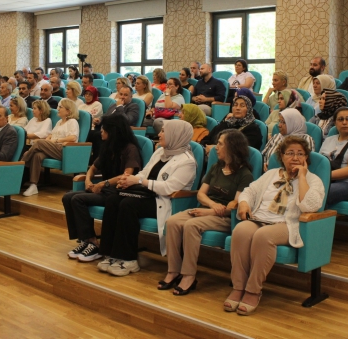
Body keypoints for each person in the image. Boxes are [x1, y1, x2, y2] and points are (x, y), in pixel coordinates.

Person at [226, 135, 325, 315]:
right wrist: (244, 203)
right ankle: (238, 287)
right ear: (282, 155)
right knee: (240, 230)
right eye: (290, 153)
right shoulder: (271, 174)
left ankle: (253, 290)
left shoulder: (313, 180)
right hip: (259, 218)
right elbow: (250, 191)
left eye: (300, 153)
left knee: (263, 235)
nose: (295, 157)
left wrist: (302, 177)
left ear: (306, 158)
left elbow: (310, 206)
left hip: (287, 224)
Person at [97, 120, 197, 277]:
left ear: (175, 135)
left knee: (128, 204)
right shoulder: (160, 152)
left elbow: (169, 188)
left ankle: (129, 259)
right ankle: (110, 253)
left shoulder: (187, 161)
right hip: (146, 194)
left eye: (163, 131)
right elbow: (144, 173)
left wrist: (139, 181)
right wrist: (128, 180)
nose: (159, 134)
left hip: (165, 201)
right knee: (113, 200)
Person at [162, 129, 253, 295]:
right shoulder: (216, 167)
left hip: (225, 217)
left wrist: (210, 212)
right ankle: (173, 270)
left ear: (232, 147)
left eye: (220, 144)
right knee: (172, 222)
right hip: (207, 209)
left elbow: (234, 206)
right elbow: (201, 194)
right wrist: (211, 205)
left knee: (191, 225)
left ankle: (189, 276)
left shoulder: (245, 175)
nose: (216, 147)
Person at [63, 114, 142, 262]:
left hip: (117, 192)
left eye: (104, 129)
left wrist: (103, 184)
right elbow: (93, 168)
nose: (101, 131)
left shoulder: (130, 149)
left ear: (113, 131)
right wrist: (88, 180)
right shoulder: (108, 148)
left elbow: (127, 175)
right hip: (104, 190)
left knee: (78, 199)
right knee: (68, 196)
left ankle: (93, 242)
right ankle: (85, 240)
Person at [21, 98, 80, 196]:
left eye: (60, 107)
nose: (58, 109)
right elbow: (51, 135)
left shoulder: (72, 121)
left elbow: (73, 137)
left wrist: (56, 140)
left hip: (65, 150)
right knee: (37, 155)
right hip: (53, 148)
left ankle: (23, 162)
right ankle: (33, 185)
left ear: (68, 111)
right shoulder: (59, 122)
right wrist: (48, 140)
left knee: (39, 143)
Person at [88, 86, 139, 160]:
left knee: (97, 135)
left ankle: (99, 160)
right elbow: (106, 116)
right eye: (121, 94)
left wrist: (120, 106)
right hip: (105, 129)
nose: (122, 97)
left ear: (131, 96)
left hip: (118, 132)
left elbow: (127, 121)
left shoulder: (133, 106)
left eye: (125, 95)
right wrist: (99, 120)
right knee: (89, 133)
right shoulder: (113, 105)